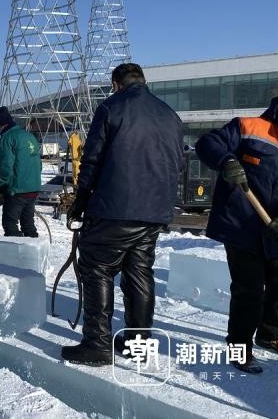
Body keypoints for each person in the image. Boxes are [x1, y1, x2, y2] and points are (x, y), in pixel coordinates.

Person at [60, 63, 184, 366]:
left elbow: (92, 160)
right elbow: (178, 162)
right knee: (139, 272)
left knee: (97, 267)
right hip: (154, 210)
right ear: (142, 81)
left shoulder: (111, 108)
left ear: (116, 83)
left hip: (116, 207)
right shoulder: (169, 114)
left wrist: (80, 202)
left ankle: (97, 344)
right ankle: (137, 343)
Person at [194, 87, 278, 374]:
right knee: (250, 290)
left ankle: (270, 333)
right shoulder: (249, 127)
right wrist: (226, 160)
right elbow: (207, 143)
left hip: (275, 230)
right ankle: (240, 349)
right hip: (242, 226)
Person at [0, 107, 43, 237]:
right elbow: (39, 164)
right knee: (28, 223)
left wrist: (1, 188)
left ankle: (15, 253)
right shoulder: (29, 136)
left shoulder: (7, 138)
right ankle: (33, 252)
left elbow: (6, 166)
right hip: (34, 188)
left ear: (1, 125)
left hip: (17, 190)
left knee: (10, 223)